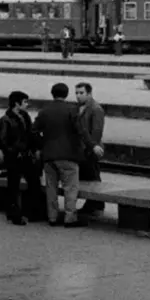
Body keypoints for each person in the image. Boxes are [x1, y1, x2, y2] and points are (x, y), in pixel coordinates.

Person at [35, 82, 93, 227]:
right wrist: (91, 145)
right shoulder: (72, 110)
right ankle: (70, 217)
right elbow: (81, 131)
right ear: (66, 94)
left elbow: (33, 130)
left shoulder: (44, 111)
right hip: (68, 155)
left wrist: (42, 144)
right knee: (70, 188)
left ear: (52, 93)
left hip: (49, 155)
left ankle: (52, 217)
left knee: (51, 188)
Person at [0, 90, 41, 226]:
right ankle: (14, 213)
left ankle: (32, 211)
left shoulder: (25, 116)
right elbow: (2, 141)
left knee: (34, 182)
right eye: (25, 102)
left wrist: (35, 149)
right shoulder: (5, 120)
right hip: (14, 157)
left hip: (26, 155)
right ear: (17, 103)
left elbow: (31, 134)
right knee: (13, 186)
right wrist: (13, 152)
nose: (27, 104)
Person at [74, 82, 106, 215]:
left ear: (89, 94)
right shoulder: (78, 107)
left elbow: (97, 131)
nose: (78, 96)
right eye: (76, 93)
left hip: (90, 148)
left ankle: (96, 205)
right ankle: (96, 204)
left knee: (92, 176)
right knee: (89, 176)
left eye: (81, 93)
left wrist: (92, 146)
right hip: (81, 148)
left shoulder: (96, 109)